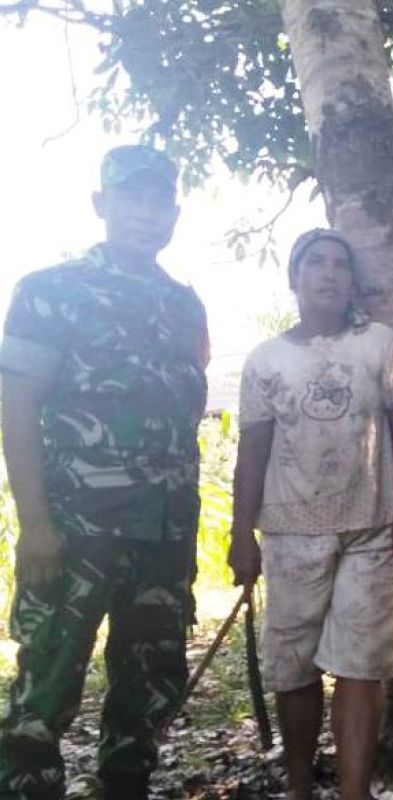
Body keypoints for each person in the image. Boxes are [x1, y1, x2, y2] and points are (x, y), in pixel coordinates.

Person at [0, 145, 208, 800]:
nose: (146, 213)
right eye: (131, 198)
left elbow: (186, 413)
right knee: (47, 685)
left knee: (149, 685)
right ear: (102, 205)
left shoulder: (183, 305)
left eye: (158, 201)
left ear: (174, 212)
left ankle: (125, 788)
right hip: (75, 528)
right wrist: (35, 524)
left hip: (164, 533)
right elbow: (18, 406)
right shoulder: (49, 292)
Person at [226, 228, 393, 800]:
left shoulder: (380, 344)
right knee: (295, 667)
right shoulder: (266, 361)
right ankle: (301, 788)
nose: (329, 273)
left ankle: (355, 791)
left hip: (372, 527)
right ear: (294, 278)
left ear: (352, 280)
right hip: (288, 531)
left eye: (339, 264)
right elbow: (251, 453)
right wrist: (241, 535)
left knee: (362, 665)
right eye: (315, 264)